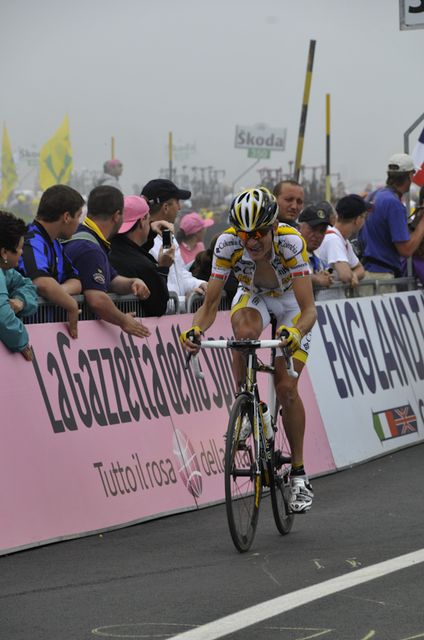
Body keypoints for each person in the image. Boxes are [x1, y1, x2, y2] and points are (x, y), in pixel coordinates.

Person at [180, 187, 317, 513]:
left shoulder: (290, 242)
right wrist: (196, 328)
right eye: (244, 234)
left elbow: (309, 310)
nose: (250, 241)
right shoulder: (227, 244)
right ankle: (248, 402)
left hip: (290, 304)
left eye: (257, 234)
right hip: (253, 294)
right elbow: (210, 304)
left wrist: (296, 333)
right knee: (242, 334)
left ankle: (298, 472)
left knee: (286, 388)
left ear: (271, 227)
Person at [63, 186, 151, 338]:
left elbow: (111, 279)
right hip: (71, 333)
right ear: (117, 216)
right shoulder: (89, 248)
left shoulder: (87, 237)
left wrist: (132, 282)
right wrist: (124, 321)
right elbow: (96, 299)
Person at [18, 184, 83, 338]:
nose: (80, 223)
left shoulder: (54, 243)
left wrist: (59, 292)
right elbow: (42, 283)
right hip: (27, 334)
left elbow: (76, 281)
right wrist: (70, 304)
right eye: (79, 216)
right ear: (67, 217)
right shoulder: (30, 240)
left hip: (48, 335)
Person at [359, 153, 424, 293]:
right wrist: (422, 224)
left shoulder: (374, 195)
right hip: (383, 277)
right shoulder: (394, 204)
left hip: (367, 272)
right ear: (409, 176)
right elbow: (406, 250)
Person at [141, 179, 207, 308]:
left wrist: (199, 284)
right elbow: (156, 292)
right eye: (177, 202)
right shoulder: (143, 241)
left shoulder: (168, 235)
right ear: (166, 207)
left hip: (174, 319)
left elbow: (180, 274)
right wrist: (185, 301)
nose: (180, 207)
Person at [109, 195, 174, 317]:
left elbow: (132, 249)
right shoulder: (142, 265)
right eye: (148, 220)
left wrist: (150, 234)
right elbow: (159, 307)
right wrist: (163, 269)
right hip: (133, 332)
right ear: (141, 221)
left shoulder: (105, 250)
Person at [0, 211, 37, 360]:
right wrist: (22, 342)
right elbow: (3, 317)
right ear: (4, 252)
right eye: (20, 247)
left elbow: (28, 285)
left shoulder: (6, 271)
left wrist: (21, 301)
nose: (22, 252)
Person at [315, 194, 368, 299]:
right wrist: (351, 275)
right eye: (364, 217)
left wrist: (354, 275)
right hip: (325, 304)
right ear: (357, 220)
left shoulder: (342, 240)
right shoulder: (334, 240)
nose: (364, 221)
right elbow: (345, 275)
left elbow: (360, 269)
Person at [297, 204, 334, 295]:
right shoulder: (290, 252)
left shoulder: (317, 258)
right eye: (313, 229)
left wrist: (327, 276)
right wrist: (315, 278)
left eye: (322, 231)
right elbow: (284, 274)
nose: (318, 235)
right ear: (299, 228)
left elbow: (329, 271)